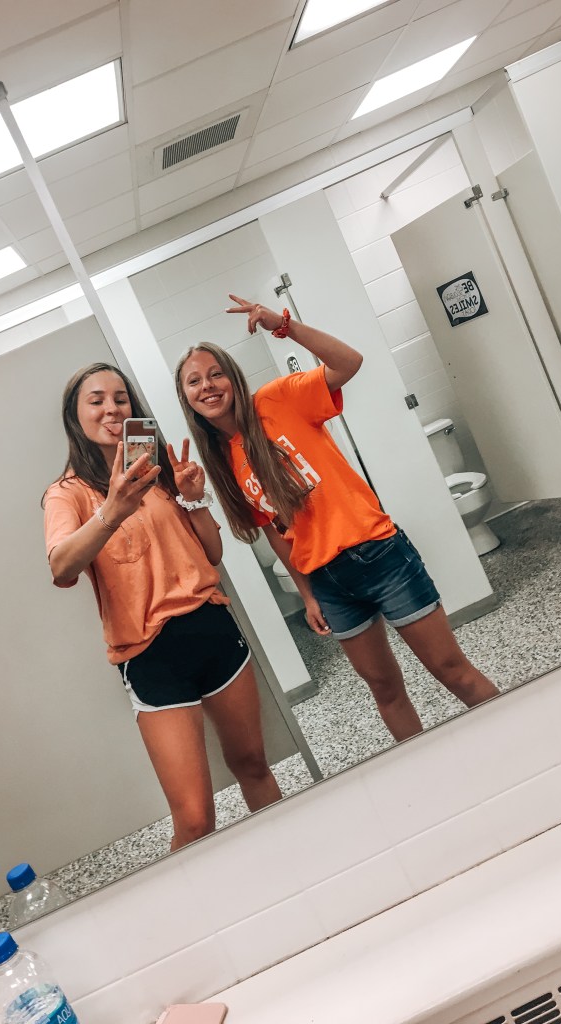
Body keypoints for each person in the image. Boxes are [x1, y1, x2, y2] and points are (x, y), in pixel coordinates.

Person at [174, 296, 500, 742]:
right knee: (385, 689)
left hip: (379, 554)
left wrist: (283, 325)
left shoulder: (277, 399)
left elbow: (349, 361)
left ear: (232, 377)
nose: (208, 386)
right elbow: (276, 532)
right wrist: (309, 596)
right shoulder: (221, 460)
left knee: (450, 668)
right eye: (194, 381)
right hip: (328, 584)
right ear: (186, 398)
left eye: (216, 374)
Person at [43, 361, 281, 850]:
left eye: (120, 399)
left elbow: (212, 553)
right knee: (194, 818)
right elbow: (62, 567)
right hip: (150, 656)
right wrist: (112, 509)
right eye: (96, 401)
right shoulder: (65, 494)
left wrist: (194, 498)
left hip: (212, 630)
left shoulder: (158, 470)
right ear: (74, 416)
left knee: (254, 765)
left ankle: (296, 862)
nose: (112, 409)